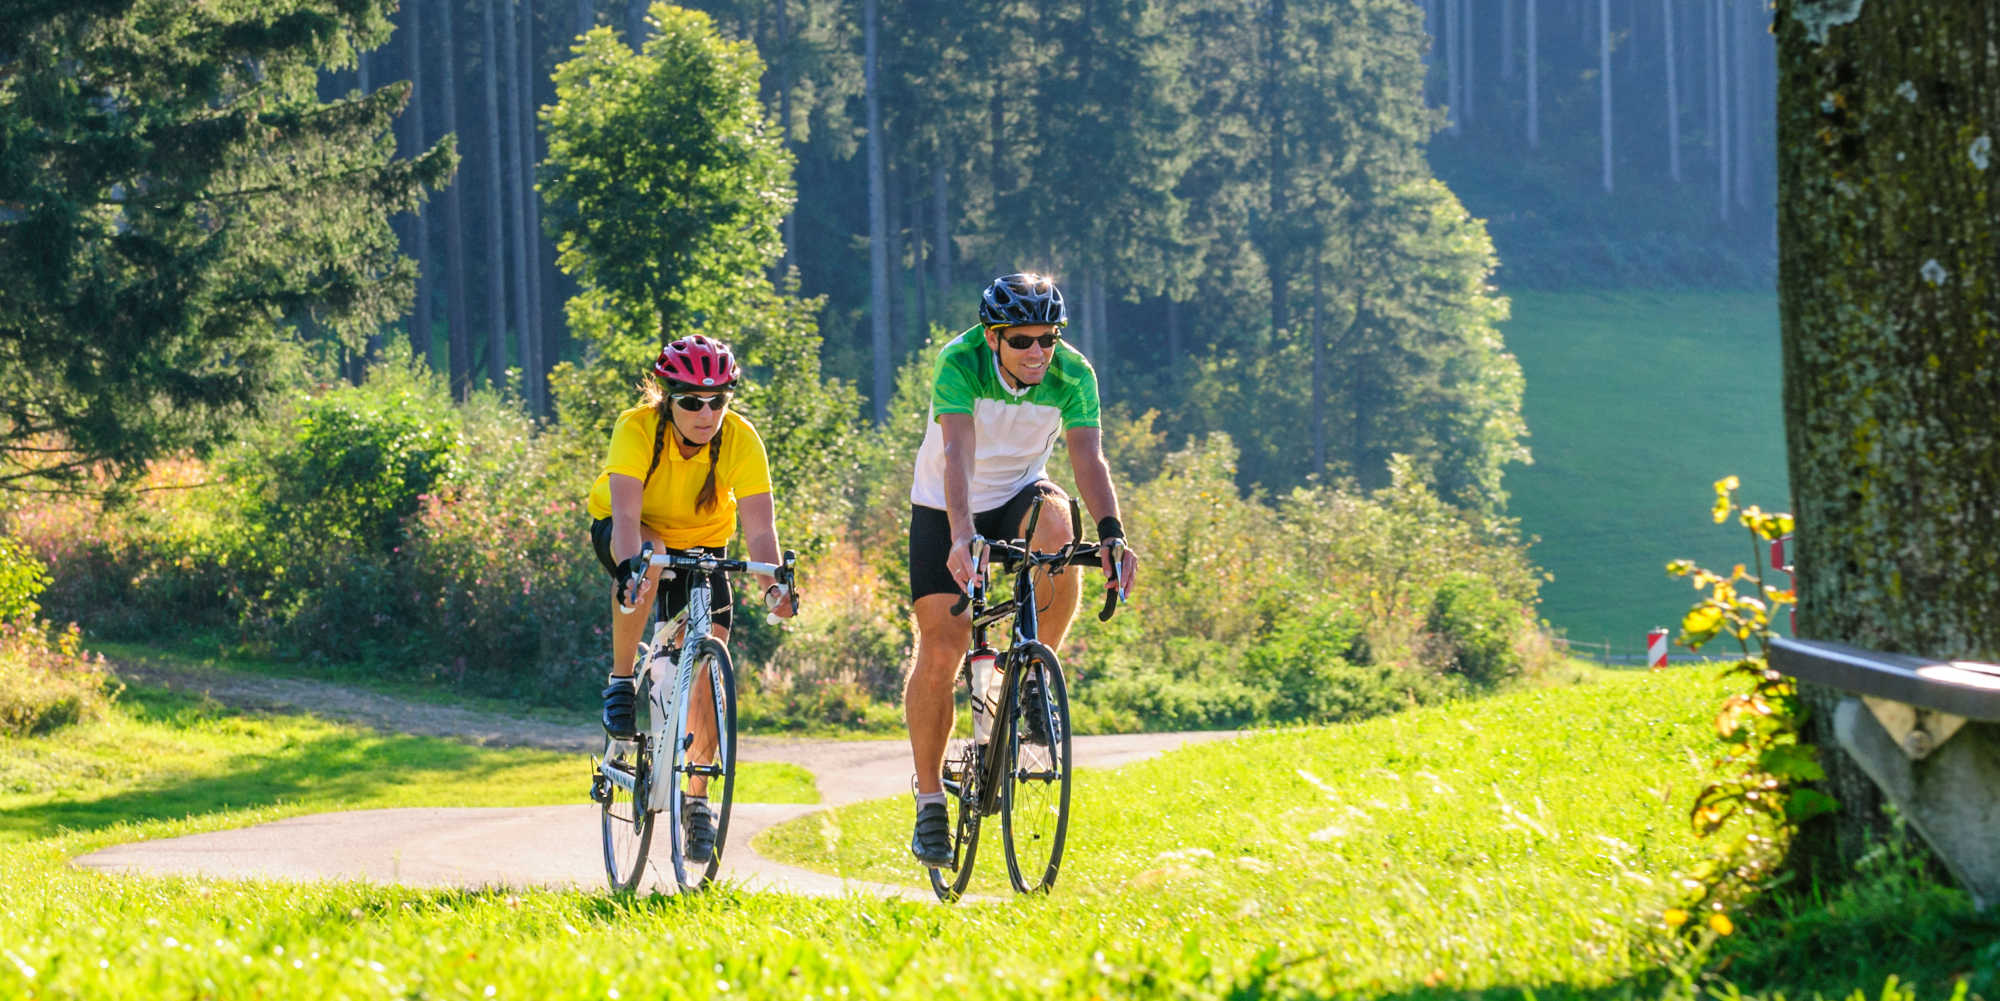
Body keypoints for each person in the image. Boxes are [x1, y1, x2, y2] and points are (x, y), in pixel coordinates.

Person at [903, 272, 1140, 868]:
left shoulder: (1073, 374)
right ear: (993, 338)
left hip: (1017, 493)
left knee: (1061, 532)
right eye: (1022, 340)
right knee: (942, 647)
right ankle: (930, 800)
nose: (1037, 351)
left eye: (1048, 338)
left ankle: (1030, 674)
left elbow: (1088, 457)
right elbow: (957, 453)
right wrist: (962, 537)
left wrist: (1113, 536)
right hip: (945, 502)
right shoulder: (960, 362)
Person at [585, 334, 798, 863]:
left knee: (708, 658)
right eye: (692, 402)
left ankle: (696, 799)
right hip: (634, 530)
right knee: (650, 560)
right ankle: (620, 680)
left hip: (706, 541)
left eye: (718, 401)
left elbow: (761, 535)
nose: (707, 414)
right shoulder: (636, 429)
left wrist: (775, 587)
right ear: (667, 398)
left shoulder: (741, 440)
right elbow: (628, 521)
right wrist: (635, 573)